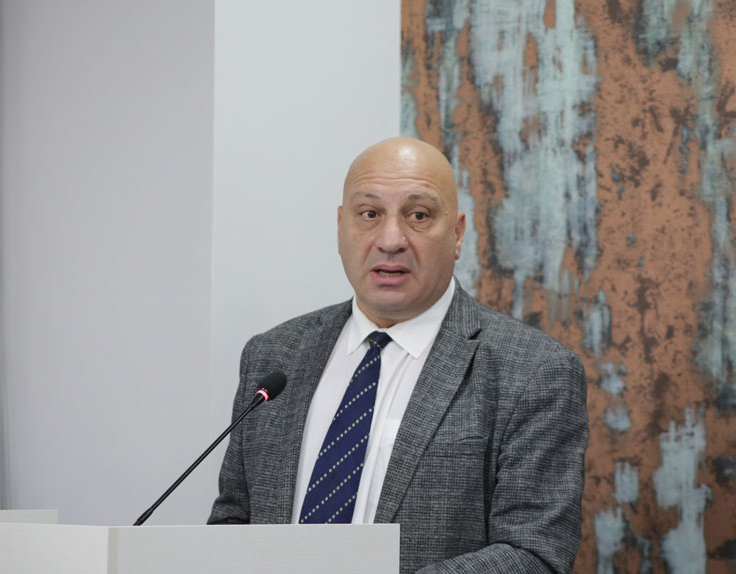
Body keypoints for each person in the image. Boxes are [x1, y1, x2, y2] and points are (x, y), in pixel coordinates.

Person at [208, 137, 588, 573]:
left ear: (458, 233)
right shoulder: (274, 356)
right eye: (369, 214)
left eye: (418, 215)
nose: (390, 240)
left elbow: (534, 554)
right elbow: (233, 523)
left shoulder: (534, 372)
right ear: (341, 227)